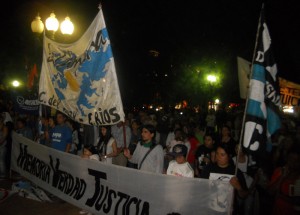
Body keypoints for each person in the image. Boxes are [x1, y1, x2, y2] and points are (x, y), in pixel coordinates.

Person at [201, 143, 248, 213]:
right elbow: (201, 189)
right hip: (211, 210)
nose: (218, 157)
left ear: (229, 156)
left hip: (229, 210)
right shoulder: (208, 169)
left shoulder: (236, 172)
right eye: (217, 154)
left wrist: (239, 187)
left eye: (222, 155)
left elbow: (244, 195)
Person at [268, 144, 300, 215]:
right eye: (291, 160)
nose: (293, 163)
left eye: (296, 161)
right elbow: (270, 192)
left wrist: (280, 195)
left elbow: (297, 201)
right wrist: (282, 177)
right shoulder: (279, 171)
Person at [79, 144, 98, 215]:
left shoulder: (95, 157)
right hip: (86, 178)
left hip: (93, 180)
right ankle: (86, 208)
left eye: (86, 151)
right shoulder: (86, 156)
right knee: (85, 193)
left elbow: (93, 166)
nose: (84, 153)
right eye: (83, 151)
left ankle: (91, 209)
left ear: (91, 151)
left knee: (91, 194)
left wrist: (87, 158)